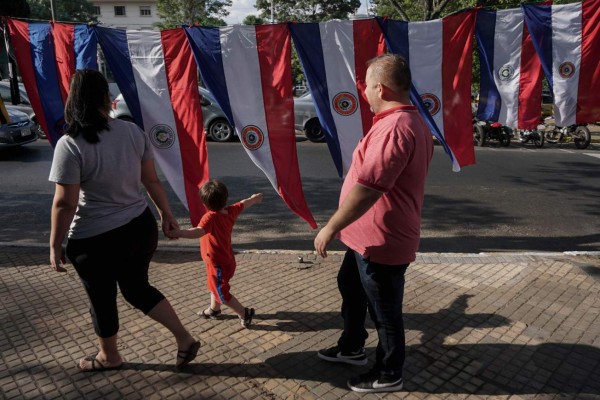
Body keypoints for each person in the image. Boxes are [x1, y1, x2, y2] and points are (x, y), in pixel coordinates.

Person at [49, 69, 199, 372]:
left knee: (102, 298)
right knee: (136, 288)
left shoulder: (71, 143)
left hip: (95, 240)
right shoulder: (132, 132)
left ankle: (109, 356)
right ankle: (184, 338)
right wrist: (166, 215)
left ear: (73, 100)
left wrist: (54, 244)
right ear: (106, 98)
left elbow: (65, 203)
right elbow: (152, 181)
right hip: (139, 227)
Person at [314, 54, 433, 393]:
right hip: (363, 240)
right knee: (351, 290)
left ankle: (389, 371)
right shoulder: (401, 121)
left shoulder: (396, 127)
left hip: (382, 243)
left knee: (385, 311)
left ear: (380, 87)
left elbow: (368, 189)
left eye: (365, 85)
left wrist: (331, 226)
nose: (363, 92)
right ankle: (352, 347)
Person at [171, 179, 263, 328]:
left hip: (219, 264)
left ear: (205, 204)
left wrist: (180, 233)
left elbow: (198, 232)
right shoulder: (231, 210)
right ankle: (214, 310)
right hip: (223, 260)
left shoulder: (210, 217)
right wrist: (254, 199)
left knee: (222, 293)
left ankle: (244, 313)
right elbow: (244, 203)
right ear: (225, 198)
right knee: (214, 286)